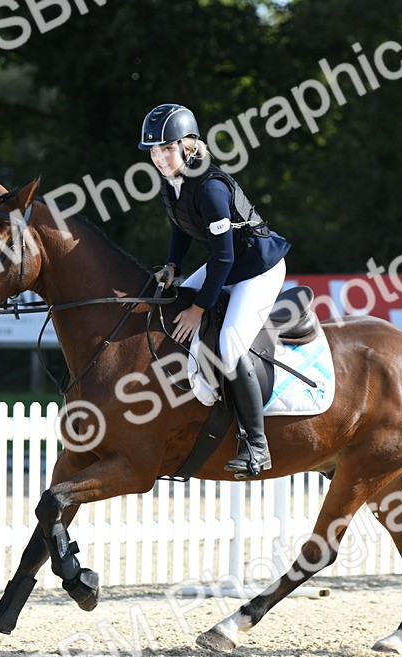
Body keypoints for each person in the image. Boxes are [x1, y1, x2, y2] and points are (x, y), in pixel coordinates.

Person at [138, 103, 291, 478]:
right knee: (165, 304)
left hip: (257, 267)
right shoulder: (173, 181)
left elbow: (221, 260)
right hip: (228, 261)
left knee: (230, 345)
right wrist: (173, 265)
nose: (159, 158)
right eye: (154, 151)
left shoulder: (209, 188)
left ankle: (257, 445)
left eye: (167, 148)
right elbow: (180, 228)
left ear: (189, 145)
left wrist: (200, 309)